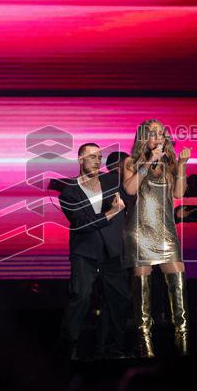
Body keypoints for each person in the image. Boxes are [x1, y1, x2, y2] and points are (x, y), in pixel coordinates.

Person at [123, 119, 192, 356]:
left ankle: (182, 349)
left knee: (178, 288)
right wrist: (150, 160)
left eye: (162, 134)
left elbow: (179, 194)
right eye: (153, 134)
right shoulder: (131, 162)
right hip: (140, 231)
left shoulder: (170, 163)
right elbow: (130, 190)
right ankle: (146, 352)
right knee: (143, 297)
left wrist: (181, 165)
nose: (158, 137)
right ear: (143, 137)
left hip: (166, 232)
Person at [58, 144, 131, 359]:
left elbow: (134, 184)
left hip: (112, 251)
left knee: (119, 299)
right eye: (92, 157)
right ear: (80, 159)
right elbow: (81, 224)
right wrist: (112, 212)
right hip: (85, 252)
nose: (97, 161)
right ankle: (68, 346)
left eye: (100, 157)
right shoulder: (69, 191)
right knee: (81, 297)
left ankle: (111, 346)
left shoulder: (112, 181)